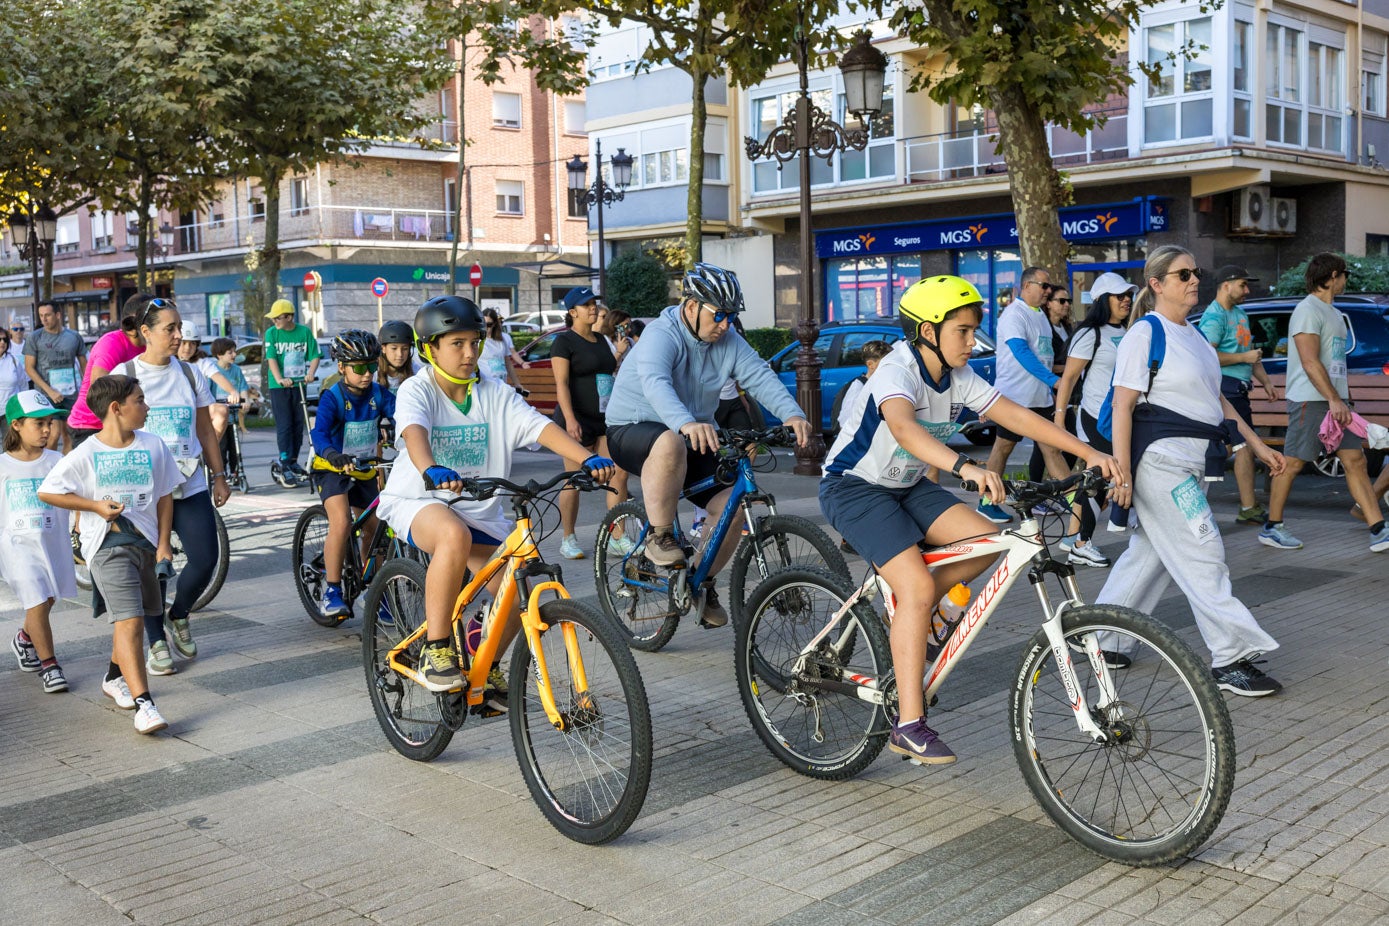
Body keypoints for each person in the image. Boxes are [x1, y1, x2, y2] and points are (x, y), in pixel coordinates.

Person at [821, 275, 1121, 764]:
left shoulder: (958, 376)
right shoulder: (897, 371)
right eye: (961, 331)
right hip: (855, 487)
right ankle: (909, 724)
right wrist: (965, 467)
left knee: (989, 538)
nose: (971, 341)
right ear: (926, 332)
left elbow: (1017, 415)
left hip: (907, 486)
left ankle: (925, 618)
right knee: (916, 587)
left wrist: (1087, 452)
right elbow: (902, 426)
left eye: (973, 330)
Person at [376, 295, 615, 695]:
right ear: (429, 348)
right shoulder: (417, 391)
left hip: (480, 508)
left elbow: (539, 427)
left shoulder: (495, 393)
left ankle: (483, 660)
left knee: (519, 588)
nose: (470, 354)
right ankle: (437, 648)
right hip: (419, 500)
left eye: (475, 343)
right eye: (457, 344)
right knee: (454, 536)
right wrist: (429, 467)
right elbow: (414, 432)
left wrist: (586, 458)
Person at [1097, 245, 1288, 696]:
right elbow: (1123, 406)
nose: (1194, 280)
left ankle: (1102, 638)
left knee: (1151, 556)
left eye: (1195, 272)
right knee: (1204, 553)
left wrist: (1257, 445)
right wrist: (1120, 473)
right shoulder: (1145, 333)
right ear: (1157, 284)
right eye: (1183, 275)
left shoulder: (1196, 336)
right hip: (1162, 464)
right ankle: (1230, 656)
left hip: (1191, 462)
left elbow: (1217, 402)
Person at [605, 262, 812, 627]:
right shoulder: (661, 334)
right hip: (633, 427)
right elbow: (656, 382)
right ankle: (660, 535)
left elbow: (760, 377)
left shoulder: (728, 341)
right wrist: (685, 422)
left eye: (731, 316)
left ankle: (701, 582)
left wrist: (793, 415)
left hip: (693, 432)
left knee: (732, 503)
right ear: (691, 306)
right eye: (719, 315)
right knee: (670, 442)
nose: (725, 324)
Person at [39, 374, 182, 734]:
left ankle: (114, 676)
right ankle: (144, 704)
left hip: (147, 545)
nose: (147, 407)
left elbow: (165, 496)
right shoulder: (86, 453)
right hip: (106, 546)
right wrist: (93, 507)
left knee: (139, 615)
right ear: (117, 409)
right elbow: (48, 492)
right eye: (140, 400)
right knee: (130, 622)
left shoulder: (153, 445)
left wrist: (164, 543)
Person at [115, 300, 230, 675]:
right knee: (150, 568)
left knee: (205, 559)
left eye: (179, 327)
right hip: (143, 492)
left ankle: (178, 614)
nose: (179, 335)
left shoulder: (189, 373)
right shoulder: (125, 374)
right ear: (145, 332)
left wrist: (218, 475)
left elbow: (204, 430)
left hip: (189, 482)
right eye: (170, 328)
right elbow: (110, 437)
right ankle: (157, 643)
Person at [1260, 253, 1388, 553]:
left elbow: (1333, 362)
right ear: (1332, 276)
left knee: (1354, 461)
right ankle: (1271, 527)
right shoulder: (1308, 310)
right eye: (1344, 275)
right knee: (1291, 463)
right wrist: (1333, 398)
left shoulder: (1332, 311)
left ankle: (1379, 529)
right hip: (1311, 400)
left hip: (1334, 402)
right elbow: (1308, 361)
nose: (1346, 280)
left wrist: (1342, 398)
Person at [1051, 273, 1139, 566]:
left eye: (1128, 294)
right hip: (1094, 417)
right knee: (1102, 477)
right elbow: (1069, 379)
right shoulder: (1092, 333)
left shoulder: (1130, 332)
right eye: (1119, 295)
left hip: (1120, 417)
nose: (1126, 299)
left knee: (1096, 479)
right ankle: (1081, 543)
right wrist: (1059, 420)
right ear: (1103, 300)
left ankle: (1073, 537)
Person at [310, 330, 395, 620]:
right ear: (341, 367)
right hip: (332, 468)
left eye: (372, 366)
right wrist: (333, 454)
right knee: (342, 521)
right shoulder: (332, 397)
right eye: (359, 368)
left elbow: (404, 414)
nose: (367, 374)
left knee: (377, 524)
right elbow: (319, 434)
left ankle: (374, 591)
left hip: (365, 468)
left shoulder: (380, 394)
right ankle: (331, 591)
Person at [981, 265, 1070, 524]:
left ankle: (1076, 501)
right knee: (1003, 448)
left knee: (1052, 448)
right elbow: (1022, 354)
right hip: (1014, 398)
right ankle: (987, 503)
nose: (1048, 291)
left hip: (1039, 398)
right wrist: (1053, 381)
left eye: (1049, 287)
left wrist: (1053, 383)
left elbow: (1044, 356)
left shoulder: (1040, 315)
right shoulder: (1013, 315)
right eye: (1044, 286)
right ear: (1026, 286)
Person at [3, 390, 77, 694]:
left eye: (50, 423)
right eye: (39, 423)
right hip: (15, 544)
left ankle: (24, 639)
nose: (47, 430)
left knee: (46, 599)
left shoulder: (56, 461)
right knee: (36, 597)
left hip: (51, 541)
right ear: (16, 425)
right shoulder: (2, 466)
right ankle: (50, 665)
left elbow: (75, 496)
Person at [551, 287, 631, 560]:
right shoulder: (564, 342)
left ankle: (616, 537)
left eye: (594, 303)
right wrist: (570, 419)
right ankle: (568, 538)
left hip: (604, 418)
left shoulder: (599, 339)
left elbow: (606, 375)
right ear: (573, 312)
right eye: (586, 305)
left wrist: (618, 354)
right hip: (576, 419)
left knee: (618, 474)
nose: (593, 308)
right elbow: (561, 384)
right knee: (574, 481)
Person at [1197, 266, 1279, 525]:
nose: (1247, 290)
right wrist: (1244, 358)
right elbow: (1206, 358)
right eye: (1243, 285)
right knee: (1242, 446)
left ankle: (1247, 506)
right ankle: (1246, 506)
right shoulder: (1214, 317)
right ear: (1226, 285)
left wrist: (1266, 382)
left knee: (1242, 448)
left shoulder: (1240, 314)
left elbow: (1251, 354)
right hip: (1226, 388)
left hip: (1239, 389)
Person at [69, 294, 160, 444]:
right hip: (90, 424)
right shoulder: (112, 343)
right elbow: (99, 387)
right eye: (152, 320)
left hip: (126, 421)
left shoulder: (148, 345)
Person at [264, 299, 320, 487]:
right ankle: (285, 460)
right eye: (273, 319)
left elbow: (314, 355)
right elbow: (271, 359)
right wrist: (280, 378)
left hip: (299, 385)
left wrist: (311, 373)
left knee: (298, 424)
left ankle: (294, 459)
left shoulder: (304, 332)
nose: (275, 322)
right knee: (285, 425)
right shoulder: (272, 334)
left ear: (289, 317)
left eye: (277, 318)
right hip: (279, 386)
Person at [24, 302, 88, 451]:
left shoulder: (73, 337)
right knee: (53, 434)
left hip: (70, 395)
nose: (43, 319)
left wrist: (87, 389)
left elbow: (85, 366)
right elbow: (29, 368)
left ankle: (65, 469)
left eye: (47, 315)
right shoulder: (34, 338)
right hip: (46, 395)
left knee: (69, 436)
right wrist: (50, 391)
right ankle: (48, 468)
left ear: (57, 315)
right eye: (41, 316)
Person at [833, 339, 893, 433]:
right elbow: (845, 423)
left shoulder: (880, 383)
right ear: (870, 364)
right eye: (885, 363)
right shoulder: (858, 387)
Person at [206, 337, 252, 438]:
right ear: (219, 355)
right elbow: (207, 392)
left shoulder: (236, 370)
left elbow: (243, 387)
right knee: (220, 446)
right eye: (230, 352)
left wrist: (246, 401)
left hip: (233, 416)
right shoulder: (212, 370)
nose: (234, 355)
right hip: (217, 417)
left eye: (234, 351)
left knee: (234, 448)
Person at [479, 308, 529, 390]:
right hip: (485, 385)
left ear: (494, 324)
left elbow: (508, 363)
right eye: (483, 323)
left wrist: (517, 383)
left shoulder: (502, 340)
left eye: (489, 324)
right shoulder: (477, 340)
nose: (486, 327)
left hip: (501, 384)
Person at [377, 320, 421, 392]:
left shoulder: (416, 372)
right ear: (383, 348)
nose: (400, 354)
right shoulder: (373, 373)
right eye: (394, 348)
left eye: (405, 349)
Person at [0, 325, 30, 427]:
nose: (2, 342)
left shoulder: (14, 361)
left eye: (5, 339)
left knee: (10, 442)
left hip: (10, 411)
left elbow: (23, 385)